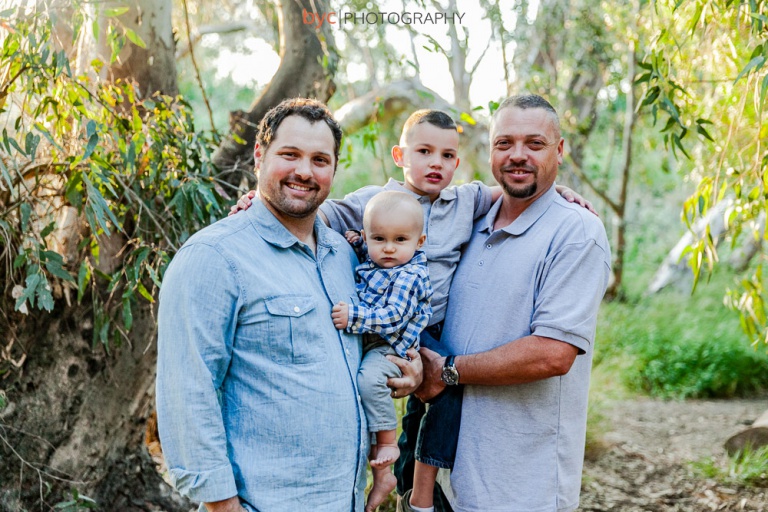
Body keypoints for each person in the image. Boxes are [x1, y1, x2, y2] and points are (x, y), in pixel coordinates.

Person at [230, 109, 595, 512]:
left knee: (438, 401)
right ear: (401, 156)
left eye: (446, 155)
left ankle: (416, 492)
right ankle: (392, 474)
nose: (435, 163)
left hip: (429, 332)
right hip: (389, 320)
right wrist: (259, 200)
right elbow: (325, 210)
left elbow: (505, 192)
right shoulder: (381, 200)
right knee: (405, 406)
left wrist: (560, 192)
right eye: (423, 152)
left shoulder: (466, 202)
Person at [155, 98, 422, 512]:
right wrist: (223, 507)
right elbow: (186, 395)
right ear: (259, 156)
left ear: (334, 169)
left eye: (319, 159)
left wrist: (413, 367)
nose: (304, 171)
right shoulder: (213, 258)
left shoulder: (348, 256)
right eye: (290, 155)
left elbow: (373, 337)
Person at [403, 94, 611, 512]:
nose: (518, 156)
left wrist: (446, 371)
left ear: (560, 150)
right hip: (445, 475)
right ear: (490, 149)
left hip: (518, 486)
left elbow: (552, 355)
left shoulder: (575, 232)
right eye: (505, 143)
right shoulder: (468, 219)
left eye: (535, 144)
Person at [331, 191, 433, 512]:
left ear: (419, 241)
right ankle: (381, 476)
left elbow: (393, 317)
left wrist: (353, 317)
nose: (388, 248)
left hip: (393, 346)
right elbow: (372, 257)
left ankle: (388, 444)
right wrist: (360, 245)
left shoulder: (410, 274)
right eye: (379, 239)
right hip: (375, 340)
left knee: (369, 379)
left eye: (400, 239)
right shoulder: (382, 258)